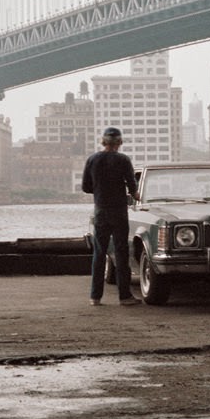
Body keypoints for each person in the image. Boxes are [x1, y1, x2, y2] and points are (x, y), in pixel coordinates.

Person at [82, 126, 140, 306]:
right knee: (122, 252)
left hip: (100, 210)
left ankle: (95, 297)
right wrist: (133, 193)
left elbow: (86, 187)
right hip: (119, 211)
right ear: (120, 142)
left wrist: (100, 190)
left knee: (99, 253)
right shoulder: (123, 160)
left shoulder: (92, 159)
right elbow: (133, 185)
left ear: (103, 142)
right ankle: (124, 297)